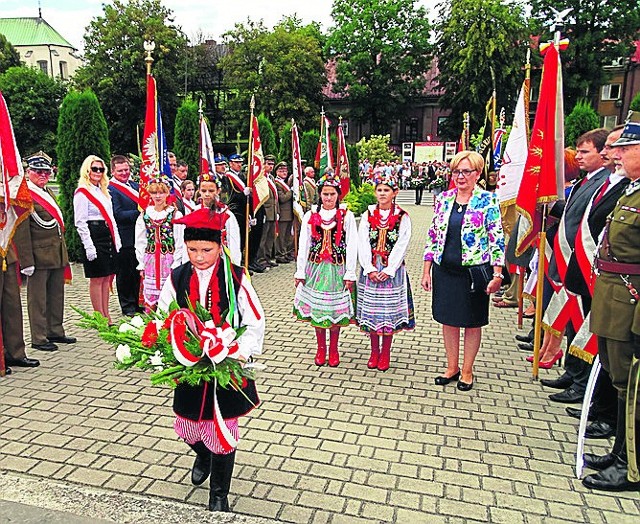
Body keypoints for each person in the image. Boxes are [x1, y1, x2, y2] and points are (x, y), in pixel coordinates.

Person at [157, 207, 265, 512]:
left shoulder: (236, 277)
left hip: (225, 364)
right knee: (186, 426)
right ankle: (203, 454)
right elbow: (164, 313)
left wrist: (242, 350)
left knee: (223, 429)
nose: (200, 256)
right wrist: (166, 341)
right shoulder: (178, 276)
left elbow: (255, 320)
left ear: (220, 246)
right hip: (191, 365)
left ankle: (219, 493)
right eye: (193, 249)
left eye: (206, 249)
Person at [582, 111, 640, 492]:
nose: (616, 154)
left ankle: (629, 465)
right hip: (613, 297)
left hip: (630, 303)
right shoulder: (632, 190)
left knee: (631, 386)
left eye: (626, 148)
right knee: (620, 381)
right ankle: (619, 452)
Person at [421, 151, 505, 391]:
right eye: (456, 171)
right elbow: (433, 236)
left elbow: (496, 239)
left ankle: (467, 369)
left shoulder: (488, 200)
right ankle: (452, 367)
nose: (460, 176)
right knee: (448, 320)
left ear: (478, 174)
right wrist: (426, 270)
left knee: (471, 322)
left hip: (473, 273)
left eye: (466, 171)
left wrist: (497, 274)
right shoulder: (444, 199)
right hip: (445, 271)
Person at [293, 171, 358, 367]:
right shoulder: (311, 215)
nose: (328, 198)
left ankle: (334, 348)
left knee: (334, 310)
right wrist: (300, 271)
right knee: (318, 309)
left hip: (337, 269)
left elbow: (352, 245)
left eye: (332, 194)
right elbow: (303, 244)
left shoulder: (346, 215)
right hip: (316, 268)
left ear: (338, 195)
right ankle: (321, 348)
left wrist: (350, 273)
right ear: (319, 195)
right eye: (325, 194)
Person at [356, 173, 414, 371]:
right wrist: (369, 268)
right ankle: (374, 351)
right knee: (372, 311)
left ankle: (386, 351)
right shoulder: (367, 214)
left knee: (387, 311)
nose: (382, 194)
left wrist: (389, 270)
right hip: (371, 269)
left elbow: (402, 243)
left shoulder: (402, 216)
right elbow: (361, 241)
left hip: (392, 271)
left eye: (386, 190)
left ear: (394, 193)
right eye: (379, 190)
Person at [22, 152, 76, 354]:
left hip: (56, 253)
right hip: (38, 255)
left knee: (56, 295)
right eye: (38, 171)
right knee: (38, 299)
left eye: (46, 171)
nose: (43, 175)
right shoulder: (26, 195)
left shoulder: (47, 193)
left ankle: (55, 330)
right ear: (29, 172)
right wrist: (26, 261)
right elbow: (22, 231)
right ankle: (38, 337)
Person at [74, 155, 122, 324]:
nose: (98, 172)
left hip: (107, 234)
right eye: (94, 169)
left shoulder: (104, 191)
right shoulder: (82, 192)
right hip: (94, 234)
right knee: (97, 277)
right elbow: (80, 222)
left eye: (101, 169)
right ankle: (99, 317)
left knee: (107, 277)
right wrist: (89, 246)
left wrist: (117, 239)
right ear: (87, 170)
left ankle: (106, 314)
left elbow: (111, 217)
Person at [135, 177, 184, 312]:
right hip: (151, 260)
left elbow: (180, 241)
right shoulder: (145, 214)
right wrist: (141, 262)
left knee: (168, 291)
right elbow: (140, 240)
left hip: (168, 259)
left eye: (161, 192)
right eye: (154, 193)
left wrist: (177, 262)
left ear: (168, 193)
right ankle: (151, 323)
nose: (158, 196)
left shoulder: (175, 214)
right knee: (150, 294)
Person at [108, 155, 141, 316]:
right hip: (124, 237)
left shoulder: (135, 185)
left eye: (126, 170)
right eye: (120, 171)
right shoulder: (110, 189)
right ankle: (127, 305)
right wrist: (139, 213)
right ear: (113, 171)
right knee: (125, 273)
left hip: (139, 236)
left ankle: (137, 302)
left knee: (137, 271)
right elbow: (117, 214)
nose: (124, 173)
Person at [194, 173, 241, 266]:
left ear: (218, 191)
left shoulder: (226, 215)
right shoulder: (193, 213)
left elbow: (234, 244)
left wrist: (235, 267)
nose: (207, 194)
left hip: (220, 262)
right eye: (203, 190)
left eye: (211, 191)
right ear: (199, 190)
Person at [256, 155, 279, 269]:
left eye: (272, 164)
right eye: (268, 164)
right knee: (263, 238)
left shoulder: (271, 178)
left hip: (273, 212)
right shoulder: (261, 179)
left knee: (271, 237)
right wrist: (263, 213)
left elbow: (275, 197)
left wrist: (277, 211)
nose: (270, 166)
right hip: (265, 212)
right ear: (263, 165)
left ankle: (268, 257)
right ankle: (260, 259)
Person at [274, 162, 294, 264]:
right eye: (281, 171)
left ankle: (285, 252)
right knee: (281, 237)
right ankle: (279, 254)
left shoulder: (285, 182)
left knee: (287, 236)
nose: (284, 172)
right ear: (277, 172)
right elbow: (282, 198)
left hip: (289, 213)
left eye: (285, 171)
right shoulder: (277, 183)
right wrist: (291, 191)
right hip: (282, 213)